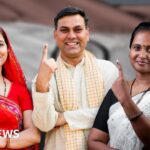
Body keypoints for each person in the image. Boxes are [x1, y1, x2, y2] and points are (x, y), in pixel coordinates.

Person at [32, 7, 118, 150]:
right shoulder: (44, 75)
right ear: (55, 35)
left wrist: (64, 118)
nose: (71, 36)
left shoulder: (107, 70)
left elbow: (113, 115)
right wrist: (42, 85)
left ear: (87, 33)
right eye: (64, 30)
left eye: (77, 29)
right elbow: (44, 124)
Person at [88, 21, 150, 150]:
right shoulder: (119, 89)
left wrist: (126, 101)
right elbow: (94, 141)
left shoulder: (121, 94)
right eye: (137, 48)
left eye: (149, 50)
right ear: (130, 52)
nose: (142, 55)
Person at [0, 27, 40, 149]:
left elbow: (34, 134)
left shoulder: (20, 91)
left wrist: (5, 141)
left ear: (7, 48)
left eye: (0, 44)